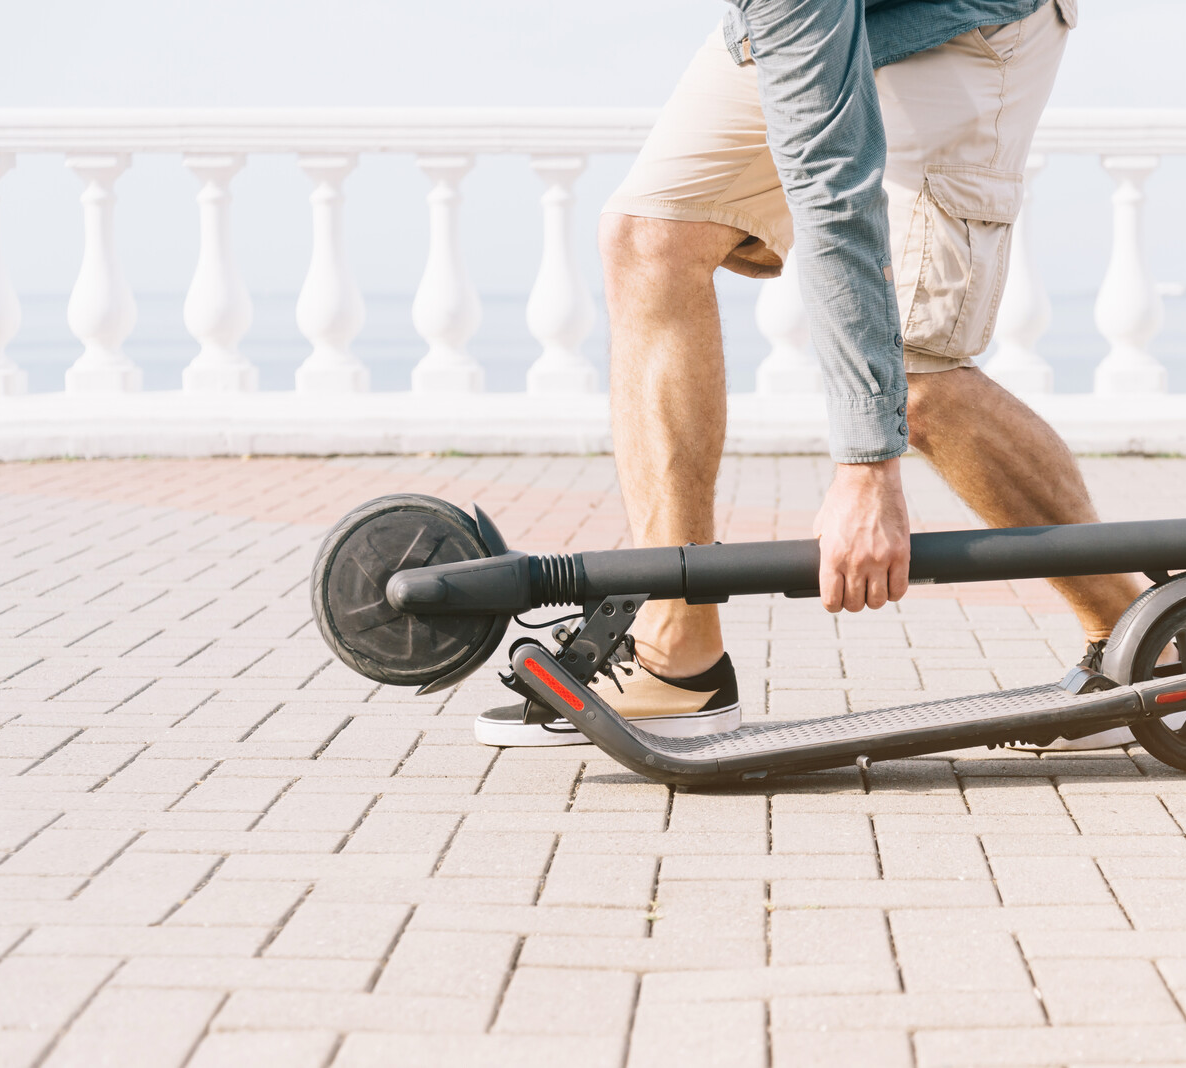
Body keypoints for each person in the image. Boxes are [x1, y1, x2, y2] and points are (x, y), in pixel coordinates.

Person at [476, 0, 1142, 748]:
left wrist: (866, 469)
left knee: (906, 369)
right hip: (807, 24)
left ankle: (1145, 644)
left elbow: (832, 190)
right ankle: (678, 651)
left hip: (964, 24)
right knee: (649, 239)